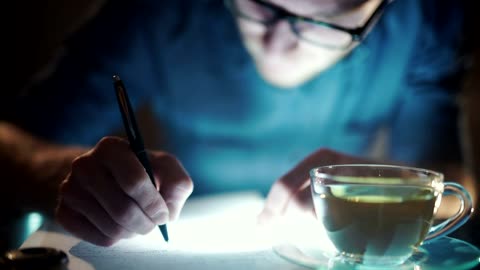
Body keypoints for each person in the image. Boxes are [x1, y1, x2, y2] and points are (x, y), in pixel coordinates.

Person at [2, 0, 477, 247]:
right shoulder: (157, 11)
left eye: (326, 23)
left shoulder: (425, 19)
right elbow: (11, 140)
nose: (276, 44)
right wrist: (64, 176)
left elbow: (456, 186)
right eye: (259, 6)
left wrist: (369, 187)